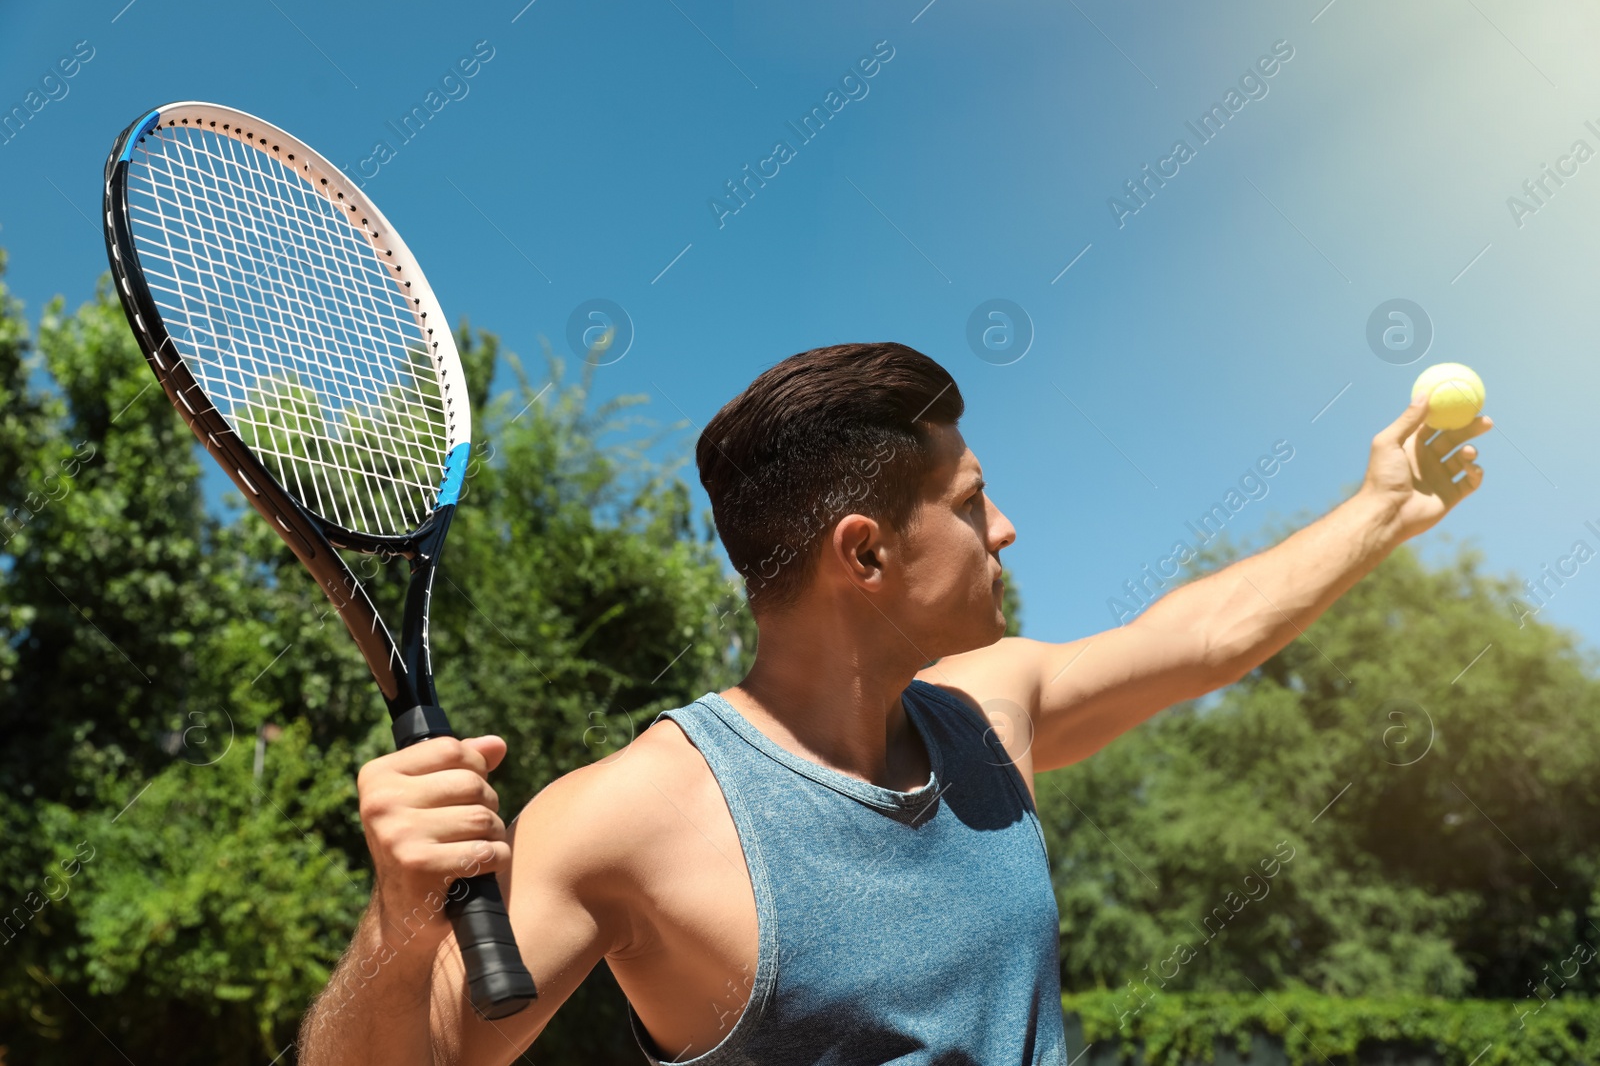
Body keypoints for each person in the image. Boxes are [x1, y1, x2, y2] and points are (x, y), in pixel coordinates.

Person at [297, 342, 1490, 1065]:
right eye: (970, 504)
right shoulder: (628, 817)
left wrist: (1380, 506)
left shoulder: (983, 712)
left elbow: (1191, 639)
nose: (1004, 531)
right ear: (864, 555)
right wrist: (398, 924)